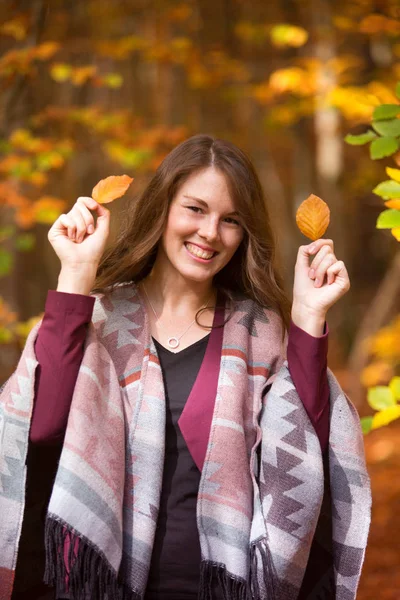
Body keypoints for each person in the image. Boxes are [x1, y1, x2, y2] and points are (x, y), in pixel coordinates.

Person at [1, 134, 370, 600]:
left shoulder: (259, 330)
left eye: (231, 220)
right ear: (163, 208)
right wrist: (75, 275)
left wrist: (308, 318)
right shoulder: (96, 318)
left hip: (220, 587)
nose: (211, 233)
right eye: (195, 209)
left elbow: (307, 454)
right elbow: (40, 428)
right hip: (104, 586)